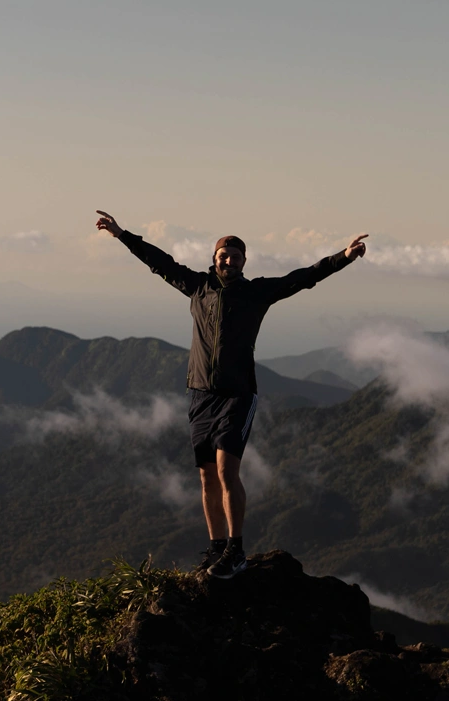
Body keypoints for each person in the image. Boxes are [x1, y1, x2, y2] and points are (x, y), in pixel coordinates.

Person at [96, 210, 367, 579]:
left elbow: (302, 278)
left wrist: (343, 258)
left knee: (226, 470)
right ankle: (217, 547)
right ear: (214, 259)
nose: (228, 260)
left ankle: (237, 551)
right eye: (223, 255)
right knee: (206, 477)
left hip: (238, 394)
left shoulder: (257, 292)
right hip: (200, 394)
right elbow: (159, 262)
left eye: (235, 256)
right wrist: (122, 235)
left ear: (243, 262)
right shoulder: (196, 286)